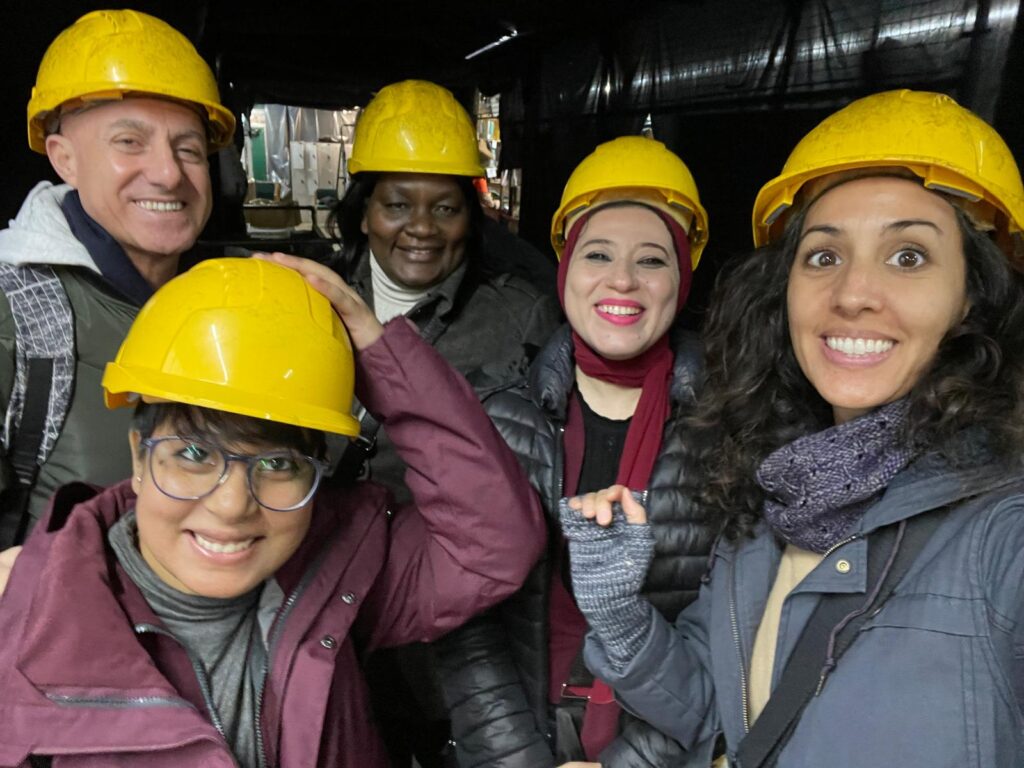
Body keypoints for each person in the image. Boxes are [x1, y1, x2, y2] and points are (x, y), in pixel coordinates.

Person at [563, 89, 1024, 767]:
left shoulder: (1003, 529)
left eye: (907, 257)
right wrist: (620, 616)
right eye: (824, 256)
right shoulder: (771, 503)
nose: (853, 293)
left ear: (971, 298)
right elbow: (717, 710)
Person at [0, 254, 545, 767]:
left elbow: (493, 545)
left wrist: (382, 356)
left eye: (279, 465)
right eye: (193, 454)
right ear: (138, 458)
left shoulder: (342, 565)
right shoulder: (31, 627)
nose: (233, 505)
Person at [435, 136, 718, 767]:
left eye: (652, 260)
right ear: (565, 268)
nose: (622, 279)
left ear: (682, 278)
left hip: (665, 743)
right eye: (598, 254)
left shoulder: (732, 429)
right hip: (519, 737)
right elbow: (468, 627)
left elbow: (733, 630)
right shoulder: (499, 418)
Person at [329, 78, 561, 767]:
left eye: (446, 207)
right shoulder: (307, 302)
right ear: (364, 209)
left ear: (473, 216)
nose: (422, 228)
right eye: (398, 204)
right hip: (337, 602)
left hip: (459, 610)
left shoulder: (521, 316)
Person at [0, 9, 235, 545]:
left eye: (189, 149)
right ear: (65, 159)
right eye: (129, 142)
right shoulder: (14, 312)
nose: (170, 173)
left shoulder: (228, 305)